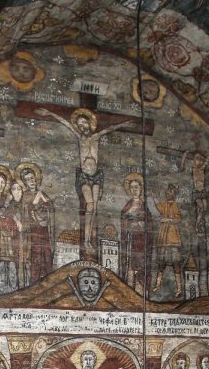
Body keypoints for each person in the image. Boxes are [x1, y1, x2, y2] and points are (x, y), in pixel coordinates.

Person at [33, 107, 131, 260]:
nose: (82, 126)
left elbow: (110, 128)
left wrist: (125, 123)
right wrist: (51, 113)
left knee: (95, 208)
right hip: (84, 176)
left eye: (84, 123)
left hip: (96, 176)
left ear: (89, 124)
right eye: (80, 125)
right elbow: (66, 123)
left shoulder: (97, 136)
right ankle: (86, 241)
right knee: (90, 205)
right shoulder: (80, 138)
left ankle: (89, 240)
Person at [15, 162, 54, 284]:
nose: (31, 181)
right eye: (27, 179)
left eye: (32, 178)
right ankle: (34, 282)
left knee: (46, 255)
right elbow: (24, 211)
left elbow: (50, 209)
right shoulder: (24, 196)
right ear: (24, 182)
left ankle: (47, 281)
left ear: (36, 179)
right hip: (32, 232)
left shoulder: (42, 194)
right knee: (35, 256)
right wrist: (35, 203)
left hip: (44, 231)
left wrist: (42, 203)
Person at [153, 184, 184, 298]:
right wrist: (154, 196)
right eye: (167, 191)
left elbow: (179, 218)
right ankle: (157, 285)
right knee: (161, 264)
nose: (167, 193)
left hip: (173, 239)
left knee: (176, 264)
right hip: (163, 239)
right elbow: (158, 207)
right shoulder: (165, 204)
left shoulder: (174, 205)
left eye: (170, 192)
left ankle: (179, 288)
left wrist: (168, 219)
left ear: (173, 194)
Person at [119, 173, 149, 290]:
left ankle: (140, 291)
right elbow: (123, 219)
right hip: (129, 240)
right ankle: (129, 289)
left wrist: (139, 224)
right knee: (129, 266)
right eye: (132, 187)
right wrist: (128, 223)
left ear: (141, 188)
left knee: (139, 266)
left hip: (140, 242)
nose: (134, 190)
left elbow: (148, 223)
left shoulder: (144, 206)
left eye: (136, 187)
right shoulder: (127, 205)